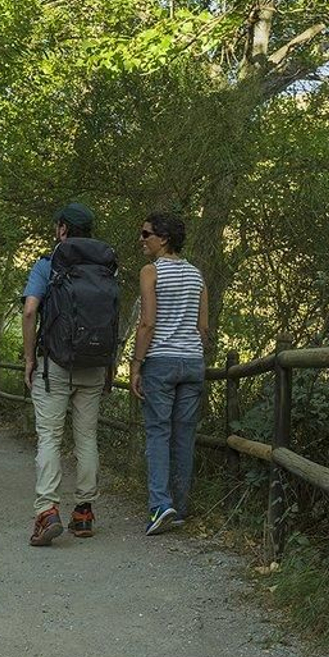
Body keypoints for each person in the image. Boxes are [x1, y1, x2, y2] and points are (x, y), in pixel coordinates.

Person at [21, 201, 119, 547]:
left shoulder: (49, 264)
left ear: (63, 229)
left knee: (50, 437)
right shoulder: (106, 269)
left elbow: (30, 311)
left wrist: (29, 359)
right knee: (86, 438)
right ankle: (84, 512)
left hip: (55, 365)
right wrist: (109, 365)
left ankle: (47, 511)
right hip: (94, 365)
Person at [129, 211, 209, 535]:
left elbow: (147, 322)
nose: (141, 239)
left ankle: (160, 506)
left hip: (161, 362)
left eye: (146, 234)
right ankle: (179, 507)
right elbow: (203, 327)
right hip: (192, 362)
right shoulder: (196, 275)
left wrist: (136, 364)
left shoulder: (151, 271)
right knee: (184, 435)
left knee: (158, 432)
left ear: (163, 239)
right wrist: (192, 352)